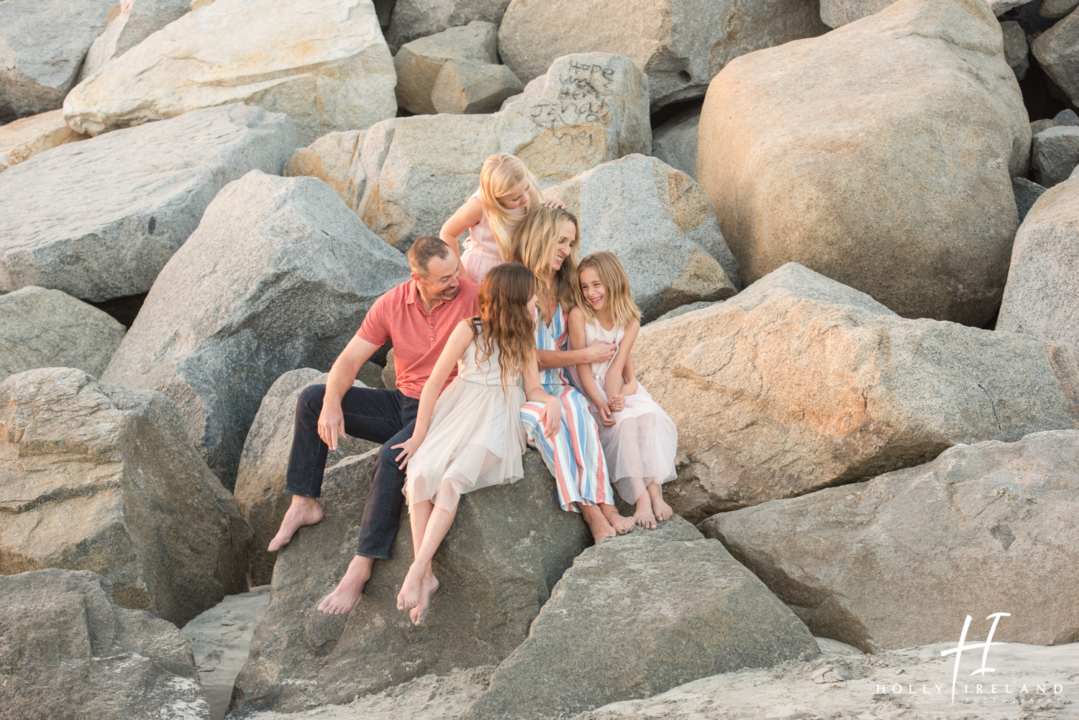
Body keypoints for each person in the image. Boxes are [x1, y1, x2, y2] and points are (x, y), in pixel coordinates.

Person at [266, 236, 479, 616]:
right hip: (403, 403)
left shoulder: (473, 296)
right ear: (417, 277)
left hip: (446, 410)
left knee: (391, 456)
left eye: (456, 271)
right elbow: (349, 361)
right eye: (445, 277)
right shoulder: (392, 304)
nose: (456, 281)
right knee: (313, 398)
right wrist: (332, 405)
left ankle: (361, 565)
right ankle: (304, 501)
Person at [390, 263, 562, 625]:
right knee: (421, 474)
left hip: (498, 416)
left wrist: (553, 402)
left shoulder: (525, 334)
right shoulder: (469, 329)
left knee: (453, 480)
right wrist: (418, 435)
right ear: (514, 298)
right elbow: (434, 384)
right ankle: (428, 574)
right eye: (531, 295)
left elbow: (532, 389)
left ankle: (417, 569)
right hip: (460, 407)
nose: (536, 301)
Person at [511, 207, 636, 542]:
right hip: (521, 390)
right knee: (552, 426)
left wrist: (613, 382)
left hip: (561, 383)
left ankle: (607, 504)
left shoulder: (568, 287)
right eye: (560, 240)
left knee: (580, 413)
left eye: (570, 242)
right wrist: (584, 354)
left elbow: (612, 314)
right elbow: (529, 357)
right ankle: (592, 514)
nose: (566, 249)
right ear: (541, 236)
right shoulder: (518, 284)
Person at [568, 251, 678, 529]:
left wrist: (617, 398)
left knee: (648, 413)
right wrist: (600, 400)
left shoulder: (630, 320)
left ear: (613, 282)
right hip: (589, 387)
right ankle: (641, 498)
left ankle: (655, 492)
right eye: (584, 286)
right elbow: (582, 366)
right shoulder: (580, 315)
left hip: (612, 384)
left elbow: (617, 369)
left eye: (597, 284)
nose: (590, 292)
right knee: (624, 421)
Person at [439, 154, 565, 285]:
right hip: (482, 272)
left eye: (527, 187)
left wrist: (550, 205)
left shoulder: (523, 192)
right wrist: (460, 272)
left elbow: (536, 223)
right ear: (496, 198)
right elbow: (447, 233)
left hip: (515, 271)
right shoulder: (479, 206)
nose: (525, 199)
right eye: (515, 198)